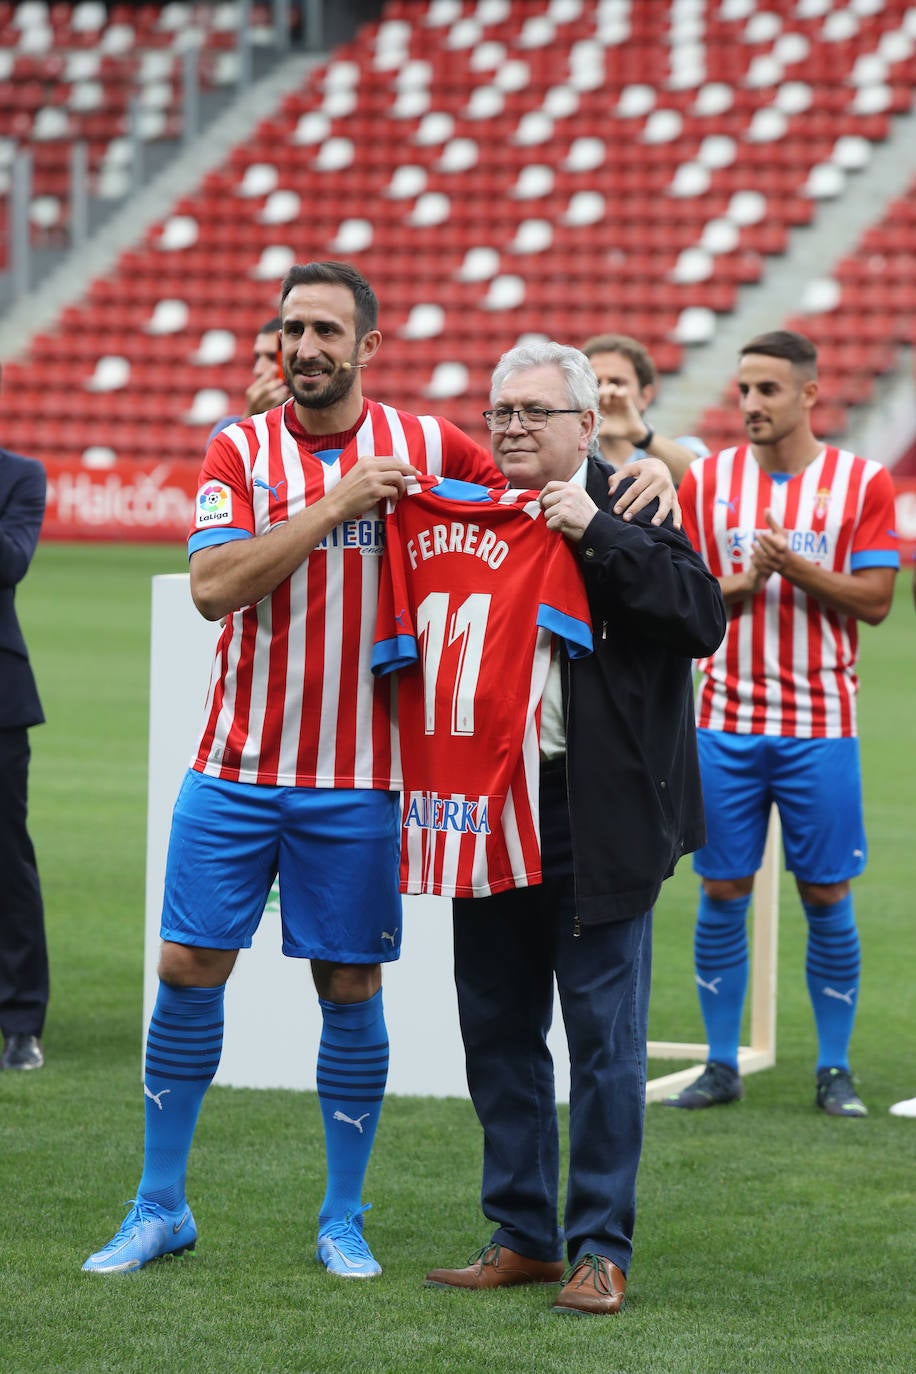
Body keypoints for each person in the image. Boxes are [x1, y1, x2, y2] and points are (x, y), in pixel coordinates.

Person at [81, 262, 680, 1281]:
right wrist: (335, 503)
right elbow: (213, 587)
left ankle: (343, 1218)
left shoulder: (424, 443)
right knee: (187, 967)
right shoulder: (240, 446)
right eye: (290, 328)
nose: (304, 346)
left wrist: (647, 463)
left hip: (363, 776)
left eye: (326, 330)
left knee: (350, 983)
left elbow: (542, 484)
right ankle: (159, 1206)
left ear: (367, 347)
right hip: (234, 761)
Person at [422, 342, 726, 1315]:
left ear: (586, 426)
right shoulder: (464, 503)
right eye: (499, 412)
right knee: (497, 1031)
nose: (509, 428)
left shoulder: (634, 502)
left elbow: (698, 616)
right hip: (489, 807)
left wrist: (597, 524)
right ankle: (523, 1234)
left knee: (603, 1043)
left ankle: (601, 1245)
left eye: (532, 413)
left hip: (595, 817)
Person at [664, 330, 899, 1118]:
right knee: (722, 885)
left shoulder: (859, 482)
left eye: (767, 390)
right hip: (724, 718)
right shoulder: (710, 482)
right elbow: (688, 600)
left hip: (820, 723)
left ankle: (834, 1069)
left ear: (808, 393)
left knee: (826, 891)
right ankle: (721, 1064)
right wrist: (747, 578)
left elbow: (874, 601)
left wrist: (793, 568)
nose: (752, 405)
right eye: (743, 391)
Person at [0, 363, 49, 1073]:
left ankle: (20, 1021)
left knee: (7, 863)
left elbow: (11, 561)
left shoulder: (22, 476)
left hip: (0, 704)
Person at [582, 332, 708, 487]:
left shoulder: (681, 448)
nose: (604, 392)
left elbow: (705, 478)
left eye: (617, 382)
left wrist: (642, 435)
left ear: (645, 396)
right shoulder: (573, 459)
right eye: (596, 383)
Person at [206, 315, 289, 442]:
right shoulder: (228, 429)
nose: (258, 370)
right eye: (257, 358)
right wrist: (251, 417)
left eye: (272, 358)